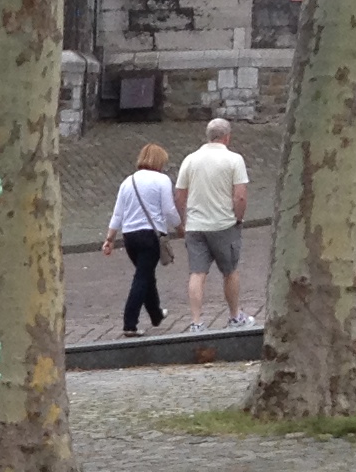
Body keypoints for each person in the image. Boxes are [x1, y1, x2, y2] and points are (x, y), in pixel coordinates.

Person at [175, 117, 249, 326]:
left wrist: (184, 221)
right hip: (223, 224)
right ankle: (235, 316)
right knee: (230, 271)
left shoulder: (190, 160)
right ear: (227, 137)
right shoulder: (234, 160)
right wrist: (238, 217)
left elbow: (179, 195)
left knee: (197, 273)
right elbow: (240, 196)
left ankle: (196, 322)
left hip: (196, 226)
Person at [106, 143, 178, 335]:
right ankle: (130, 323)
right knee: (142, 278)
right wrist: (180, 227)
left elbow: (118, 213)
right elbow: (169, 210)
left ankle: (156, 314)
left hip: (129, 236)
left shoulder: (127, 182)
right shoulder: (162, 180)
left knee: (146, 274)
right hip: (150, 235)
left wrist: (110, 238)